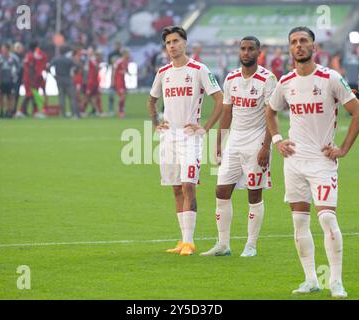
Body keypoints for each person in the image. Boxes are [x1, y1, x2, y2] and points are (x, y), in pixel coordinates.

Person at [266, 26, 359, 298]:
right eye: (294, 42)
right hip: (294, 161)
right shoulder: (285, 82)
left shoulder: (330, 78)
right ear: (290, 48)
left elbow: (358, 114)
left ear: (314, 47)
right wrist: (277, 140)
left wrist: (343, 148)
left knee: (327, 220)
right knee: (299, 223)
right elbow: (270, 111)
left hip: (322, 162)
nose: (299, 46)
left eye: (304, 41)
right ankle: (310, 279)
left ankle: (336, 281)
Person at [148, 26, 223, 256]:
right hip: (169, 137)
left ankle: (190, 241)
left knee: (189, 185)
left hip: (190, 137)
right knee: (176, 189)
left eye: (176, 41)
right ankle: (182, 241)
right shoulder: (163, 72)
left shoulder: (199, 69)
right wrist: (155, 122)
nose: (172, 45)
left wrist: (205, 127)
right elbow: (151, 101)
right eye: (168, 42)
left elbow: (220, 100)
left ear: (185, 43)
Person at [200, 36, 277, 257]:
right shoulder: (231, 77)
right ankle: (223, 244)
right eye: (243, 49)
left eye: (251, 49)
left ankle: (251, 245)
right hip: (234, 142)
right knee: (221, 190)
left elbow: (271, 115)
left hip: (256, 143)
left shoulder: (267, 79)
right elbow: (227, 112)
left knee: (254, 194)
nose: (246, 52)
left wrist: (265, 147)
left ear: (258, 52)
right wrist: (219, 142)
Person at [50, 46, 79, 119]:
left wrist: (53, 75)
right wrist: (74, 73)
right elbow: (76, 67)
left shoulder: (56, 59)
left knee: (61, 98)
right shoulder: (68, 60)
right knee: (72, 98)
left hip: (59, 79)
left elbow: (49, 67)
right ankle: (74, 114)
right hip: (68, 79)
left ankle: (63, 115)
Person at [0, 44, 20, 118]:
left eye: (4, 49)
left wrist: (15, 76)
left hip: (11, 81)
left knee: (10, 96)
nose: (3, 51)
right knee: (1, 96)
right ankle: (1, 111)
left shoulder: (14, 58)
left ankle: (9, 112)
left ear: (8, 49)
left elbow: (19, 68)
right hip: (1, 80)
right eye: (2, 49)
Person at [83, 48, 103, 116]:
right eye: (100, 55)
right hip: (91, 82)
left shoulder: (94, 61)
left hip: (95, 81)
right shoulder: (93, 60)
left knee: (96, 96)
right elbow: (96, 68)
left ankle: (99, 111)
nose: (101, 57)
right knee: (87, 96)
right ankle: (82, 111)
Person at [113, 49, 130, 118]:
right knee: (122, 96)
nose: (129, 55)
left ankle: (121, 109)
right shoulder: (119, 61)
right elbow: (114, 70)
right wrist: (113, 81)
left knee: (124, 96)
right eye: (127, 53)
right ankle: (120, 112)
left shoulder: (126, 62)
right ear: (124, 54)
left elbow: (126, 70)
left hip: (123, 81)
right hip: (118, 81)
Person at [107, 41, 122, 116]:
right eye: (116, 45)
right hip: (113, 77)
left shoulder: (121, 54)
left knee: (121, 95)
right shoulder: (111, 55)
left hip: (119, 78)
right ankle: (111, 109)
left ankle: (120, 109)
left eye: (118, 45)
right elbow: (110, 67)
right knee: (111, 94)